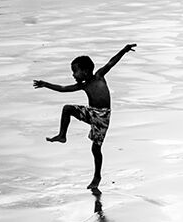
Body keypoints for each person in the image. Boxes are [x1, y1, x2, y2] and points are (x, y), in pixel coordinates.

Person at [34, 43, 136, 193]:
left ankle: (97, 176)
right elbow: (62, 89)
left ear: (86, 71)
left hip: (103, 117)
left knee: (96, 149)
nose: (73, 75)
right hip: (92, 113)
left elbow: (111, 62)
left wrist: (124, 50)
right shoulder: (83, 85)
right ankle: (62, 135)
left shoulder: (99, 76)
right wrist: (45, 84)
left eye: (75, 71)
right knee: (67, 108)